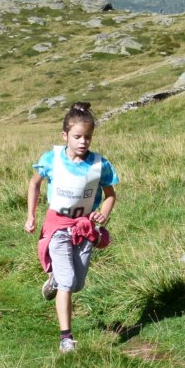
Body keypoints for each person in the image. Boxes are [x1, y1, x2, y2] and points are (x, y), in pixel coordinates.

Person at [25, 102, 119, 353]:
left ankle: (55, 279)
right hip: (57, 226)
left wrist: (103, 214)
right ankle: (66, 339)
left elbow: (110, 194)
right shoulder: (52, 159)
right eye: (77, 136)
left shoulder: (99, 164)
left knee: (76, 284)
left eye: (88, 137)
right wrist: (30, 215)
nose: (83, 142)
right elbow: (34, 184)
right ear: (64, 135)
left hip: (84, 228)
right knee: (68, 282)